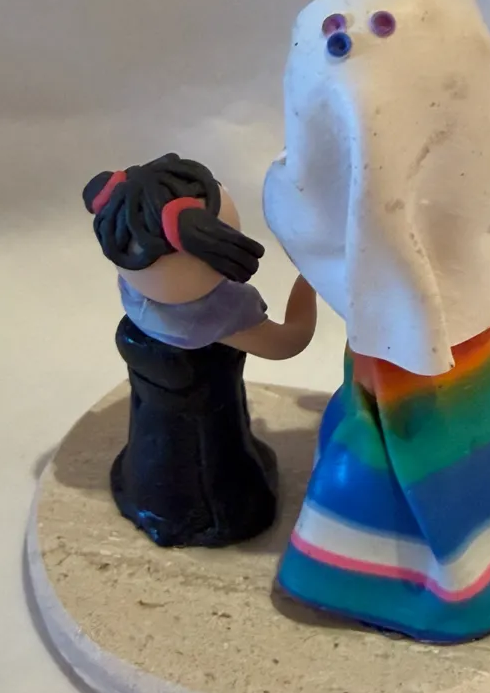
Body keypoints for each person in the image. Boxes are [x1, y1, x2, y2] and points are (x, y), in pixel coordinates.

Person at [263, 0, 490, 642]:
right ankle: (477, 550)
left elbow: (301, 196)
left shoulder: (342, 78)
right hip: (448, 315)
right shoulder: (448, 61)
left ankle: (458, 565)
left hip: (432, 319)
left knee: (425, 434)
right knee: (441, 430)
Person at [83, 152, 316, 547]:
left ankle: (152, 496)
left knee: (159, 455)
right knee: (213, 483)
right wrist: (310, 281)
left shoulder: (139, 294)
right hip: (207, 444)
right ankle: (204, 518)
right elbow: (289, 341)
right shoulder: (208, 320)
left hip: (152, 428)